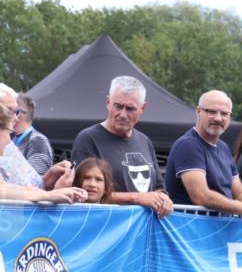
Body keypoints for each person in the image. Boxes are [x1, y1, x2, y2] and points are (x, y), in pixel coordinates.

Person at [164, 90, 242, 220]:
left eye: (224, 113)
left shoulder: (223, 148)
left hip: (217, 233)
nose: (218, 118)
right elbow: (201, 196)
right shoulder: (188, 145)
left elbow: (239, 192)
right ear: (198, 111)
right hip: (190, 233)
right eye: (211, 111)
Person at [72, 76, 173, 217]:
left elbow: (158, 187)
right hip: (107, 228)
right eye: (118, 106)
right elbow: (81, 192)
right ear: (108, 102)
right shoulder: (88, 139)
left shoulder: (145, 141)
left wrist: (163, 198)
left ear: (142, 108)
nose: (123, 114)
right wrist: (136, 198)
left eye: (130, 108)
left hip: (142, 229)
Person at [13, 93, 54, 175]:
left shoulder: (37, 141)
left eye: (8, 110)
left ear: (18, 114)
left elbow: (36, 180)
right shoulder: (11, 138)